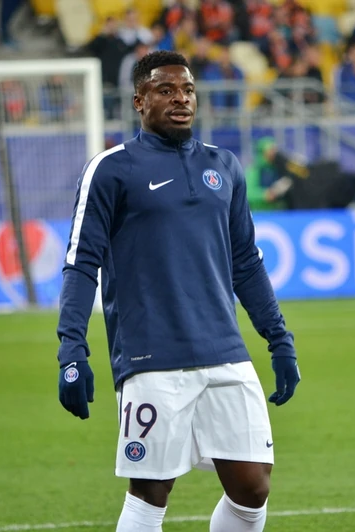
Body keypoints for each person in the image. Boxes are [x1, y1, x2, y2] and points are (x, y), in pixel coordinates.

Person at [56, 51, 300, 532]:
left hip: (224, 351)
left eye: (187, 90)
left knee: (253, 489)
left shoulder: (223, 166)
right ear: (139, 101)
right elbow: (81, 263)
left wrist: (279, 339)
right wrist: (71, 348)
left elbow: (246, 262)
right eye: (165, 90)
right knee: (151, 491)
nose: (181, 99)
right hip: (151, 356)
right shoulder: (111, 169)